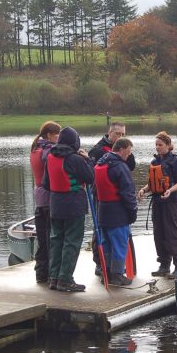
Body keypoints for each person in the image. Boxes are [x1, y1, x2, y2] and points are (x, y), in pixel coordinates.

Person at [42, 127, 95, 292]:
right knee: (71, 242)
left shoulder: (50, 156)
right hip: (73, 205)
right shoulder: (75, 159)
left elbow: (46, 183)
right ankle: (65, 279)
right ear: (75, 142)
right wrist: (88, 160)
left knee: (56, 240)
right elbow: (90, 177)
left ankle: (54, 278)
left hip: (56, 205)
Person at [138, 131, 177, 279]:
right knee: (159, 234)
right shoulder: (154, 162)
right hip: (157, 202)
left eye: (160, 145)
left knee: (173, 234)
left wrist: (170, 190)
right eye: (156, 145)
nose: (158, 147)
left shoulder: (176, 161)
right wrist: (143, 190)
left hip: (172, 203)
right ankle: (164, 265)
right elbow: (152, 183)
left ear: (168, 145)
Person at [95, 138, 138, 286]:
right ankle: (118, 275)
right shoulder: (120, 167)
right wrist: (133, 212)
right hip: (117, 212)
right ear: (122, 149)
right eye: (129, 151)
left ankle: (106, 273)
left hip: (102, 210)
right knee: (120, 244)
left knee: (106, 243)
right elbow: (128, 192)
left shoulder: (100, 164)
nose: (129, 154)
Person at [30, 121, 62, 284]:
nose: (59, 137)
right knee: (52, 238)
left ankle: (40, 273)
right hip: (49, 198)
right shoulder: (48, 150)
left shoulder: (35, 148)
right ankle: (51, 274)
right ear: (49, 135)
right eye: (57, 134)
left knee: (42, 240)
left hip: (39, 199)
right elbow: (51, 171)